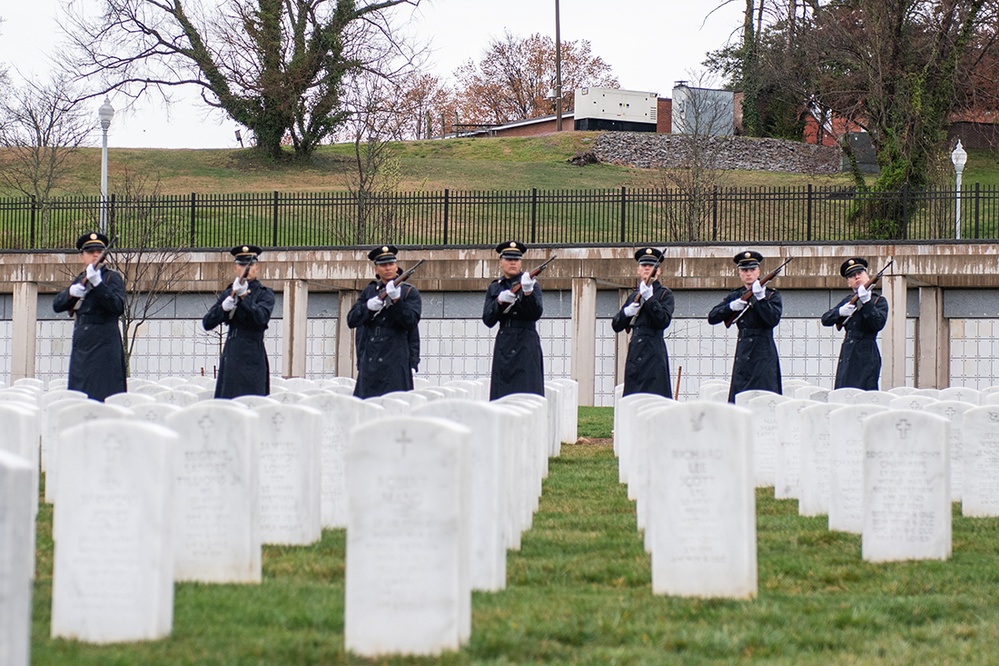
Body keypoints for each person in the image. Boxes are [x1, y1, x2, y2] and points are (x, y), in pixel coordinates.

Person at [52, 231, 127, 401]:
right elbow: (57, 306)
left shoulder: (111, 278)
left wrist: (98, 285)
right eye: (90, 251)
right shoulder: (80, 279)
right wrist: (70, 293)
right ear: (82, 257)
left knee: (104, 392)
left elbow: (117, 306)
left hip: (104, 346)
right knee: (80, 395)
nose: (95, 254)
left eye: (98, 251)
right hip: (83, 345)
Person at [707, 250, 783, 402]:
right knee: (739, 399)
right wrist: (730, 307)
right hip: (743, 353)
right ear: (739, 273)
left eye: (752, 269)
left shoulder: (770, 295)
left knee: (766, 399)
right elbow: (712, 317)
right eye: (744, 270)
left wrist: (760, 299)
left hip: (764, 353)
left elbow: (772, 320)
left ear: (759, 271)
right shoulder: (736, 295)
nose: (748, 274)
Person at [348, 245, 422, 398]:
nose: (388, 268)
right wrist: (368, 307)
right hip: (371, 361)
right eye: (383, 265)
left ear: (396, 267)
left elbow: (411, 323)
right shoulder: (369, 292)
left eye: (391, 264)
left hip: (397, 360)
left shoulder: (408, 292)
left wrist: (396, 300)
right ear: (376, 270)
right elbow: (352, 320)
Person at [202, 245, 275, 399]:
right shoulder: (229, 292)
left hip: (253, 354)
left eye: (250, 265)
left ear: (257, 267)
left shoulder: (265, 294)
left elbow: (261, 319)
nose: (246, 269)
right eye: (241, 265)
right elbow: (207, 323)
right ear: (235, 268)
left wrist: (244, 298)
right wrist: (223, 308)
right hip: (232, 354)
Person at [483, 240, 545, 400]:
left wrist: (528, 292)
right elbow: (488, 319)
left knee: (528, 390)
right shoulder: (495, 287)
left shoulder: (530, 283)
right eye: (509, 259)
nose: (513, 262)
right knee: (502, 394)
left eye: (516, 259)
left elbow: (536, 313)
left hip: (526, 343)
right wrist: (498, 302)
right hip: (505, 342)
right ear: (500, 262)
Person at [611, 247, 675, 397]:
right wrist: (626, 313)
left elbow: (663, 321)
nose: (647, 268)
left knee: (656, 396)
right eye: (643, 265)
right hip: (635, 351)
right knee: (633, 397)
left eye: (651, 266)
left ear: (658, 271)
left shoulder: (665, 294)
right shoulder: (634, 295)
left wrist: (651, 299)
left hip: (654, 350)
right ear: (638, 269)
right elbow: (616, 325)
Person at [821, 257, 889, 390]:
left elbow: (878, 323)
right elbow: (825, 319)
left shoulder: (878, 301)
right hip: (848, 352)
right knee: (843, 391)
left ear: (867, 276)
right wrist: (840, 312)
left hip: (866, 352)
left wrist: (866, 302)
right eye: (852, 276)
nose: (857, 277)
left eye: (860, 273)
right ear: (848, 283)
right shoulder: (847, 301)